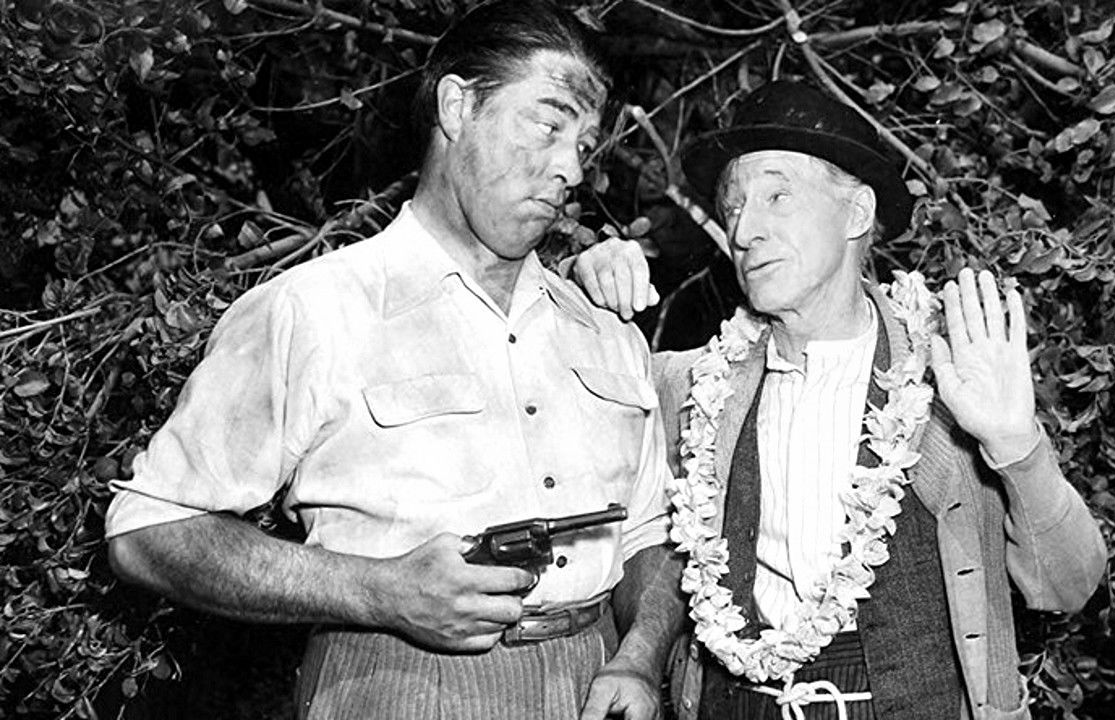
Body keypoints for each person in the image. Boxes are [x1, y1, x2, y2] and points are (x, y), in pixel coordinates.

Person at [104, 2, 685, 718]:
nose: (570, 167)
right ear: (457, 105)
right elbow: (148, 531)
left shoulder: (605, 329)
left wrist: (637, 659)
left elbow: (648, 536)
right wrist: (377, 590)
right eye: (549, 123)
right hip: (394, 684)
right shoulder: (315, 309)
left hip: (596, 683)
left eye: (584, 143)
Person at [570, 80, 1107, 720]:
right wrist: (587, 293)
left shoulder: (949, 378)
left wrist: (1017, 446)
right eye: (734, 206)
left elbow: (1069, 586)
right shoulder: (690, 386)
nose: (745, 230)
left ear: (856, 214)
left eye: (777, 195)